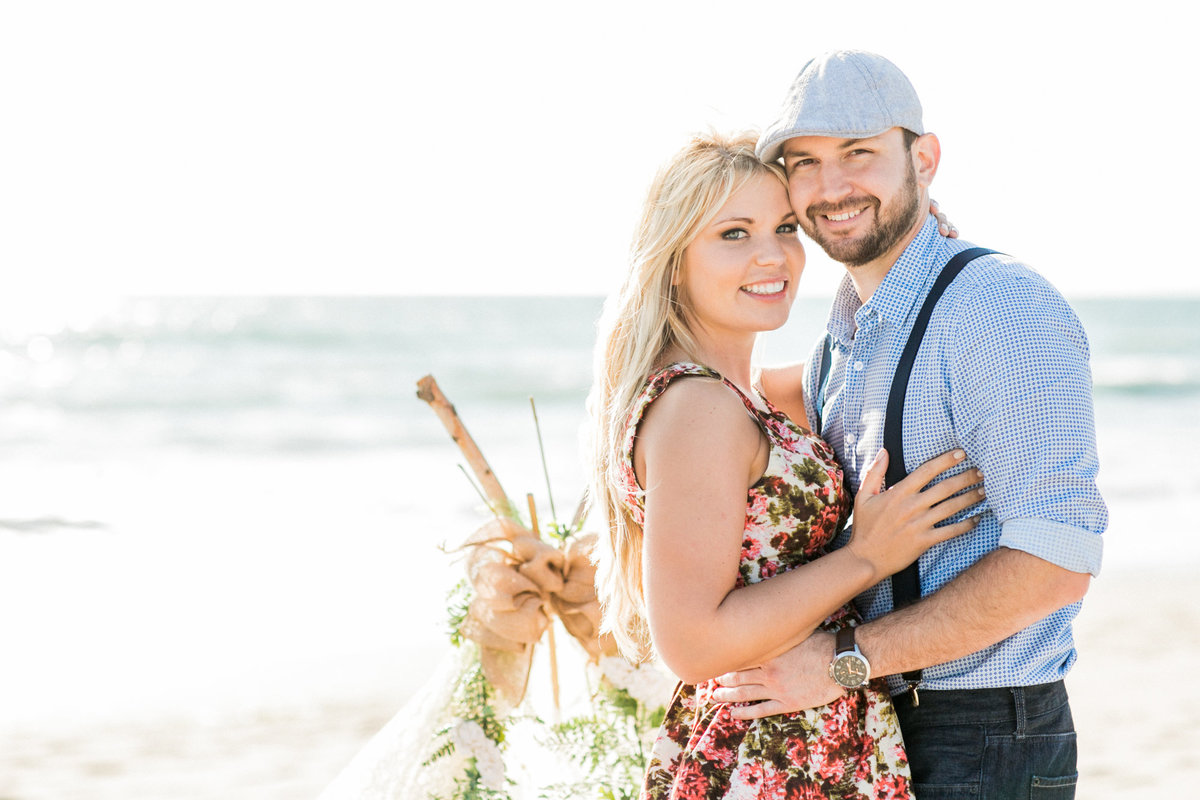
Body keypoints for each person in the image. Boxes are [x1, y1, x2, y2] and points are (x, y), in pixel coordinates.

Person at [710, 51, 1107, 798]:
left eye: (858, 152)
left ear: (923, 158)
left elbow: (1057, 561)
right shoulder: (844, 341)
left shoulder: (997, 308)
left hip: (986, 734)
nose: (831, 187)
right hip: (872, 727)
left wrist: (841, 660)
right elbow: (734, 412)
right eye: (806, 162)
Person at [588, 131, 983, 799]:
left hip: (797, 737)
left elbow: (879, 362)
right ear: (675, 260)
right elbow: (692, 641)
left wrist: (914, 237)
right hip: (763, 756)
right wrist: (866, 556)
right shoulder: (697, 409)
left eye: (784, 227)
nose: (773, 255)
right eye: (734, 234)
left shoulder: (751, 395)